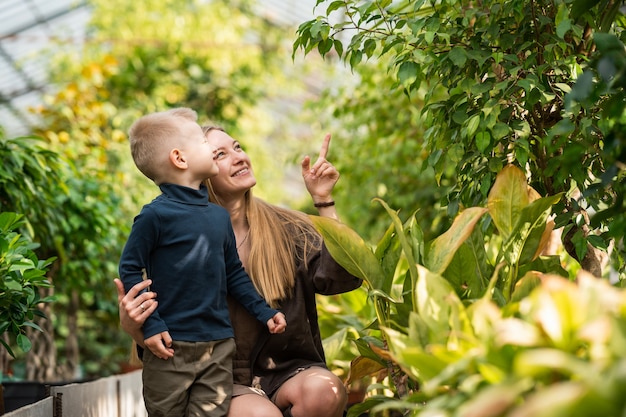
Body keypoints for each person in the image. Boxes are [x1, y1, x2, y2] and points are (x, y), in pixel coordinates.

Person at [115, 127, 362, 417]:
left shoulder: (289, 228)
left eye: (238, 147)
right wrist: (136, 327)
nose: (239, 157)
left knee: (324, 391)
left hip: (287, 370)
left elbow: (344, 278)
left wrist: (324, 200)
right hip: (218, 376)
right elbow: (161, 316)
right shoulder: (174, 236)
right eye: (220, 154)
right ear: (196, 169)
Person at [118, 108, 287, 417]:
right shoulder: (154, 216)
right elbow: (129, 267)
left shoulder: (217, 217)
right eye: (201, 141)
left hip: (218, 346)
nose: (210, 147)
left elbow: (233, 273)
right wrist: (151, 324)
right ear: (180, 159)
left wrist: (264, 312)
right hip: (170, 346)